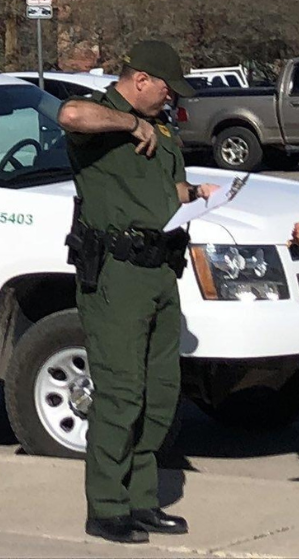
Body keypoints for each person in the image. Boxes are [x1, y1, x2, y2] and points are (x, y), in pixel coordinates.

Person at [58, 41, 219, 545]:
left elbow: (161, 191)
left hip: (159, 271)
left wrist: (197, 195)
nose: (169, 100)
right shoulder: (106, 116)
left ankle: (143, 501)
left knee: (159, 393)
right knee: (122, 391)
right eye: (166, 88)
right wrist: (131, 124)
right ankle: (106, 507)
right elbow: (69, 113)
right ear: (141, 78)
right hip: (117, 274)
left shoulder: (163, 129)